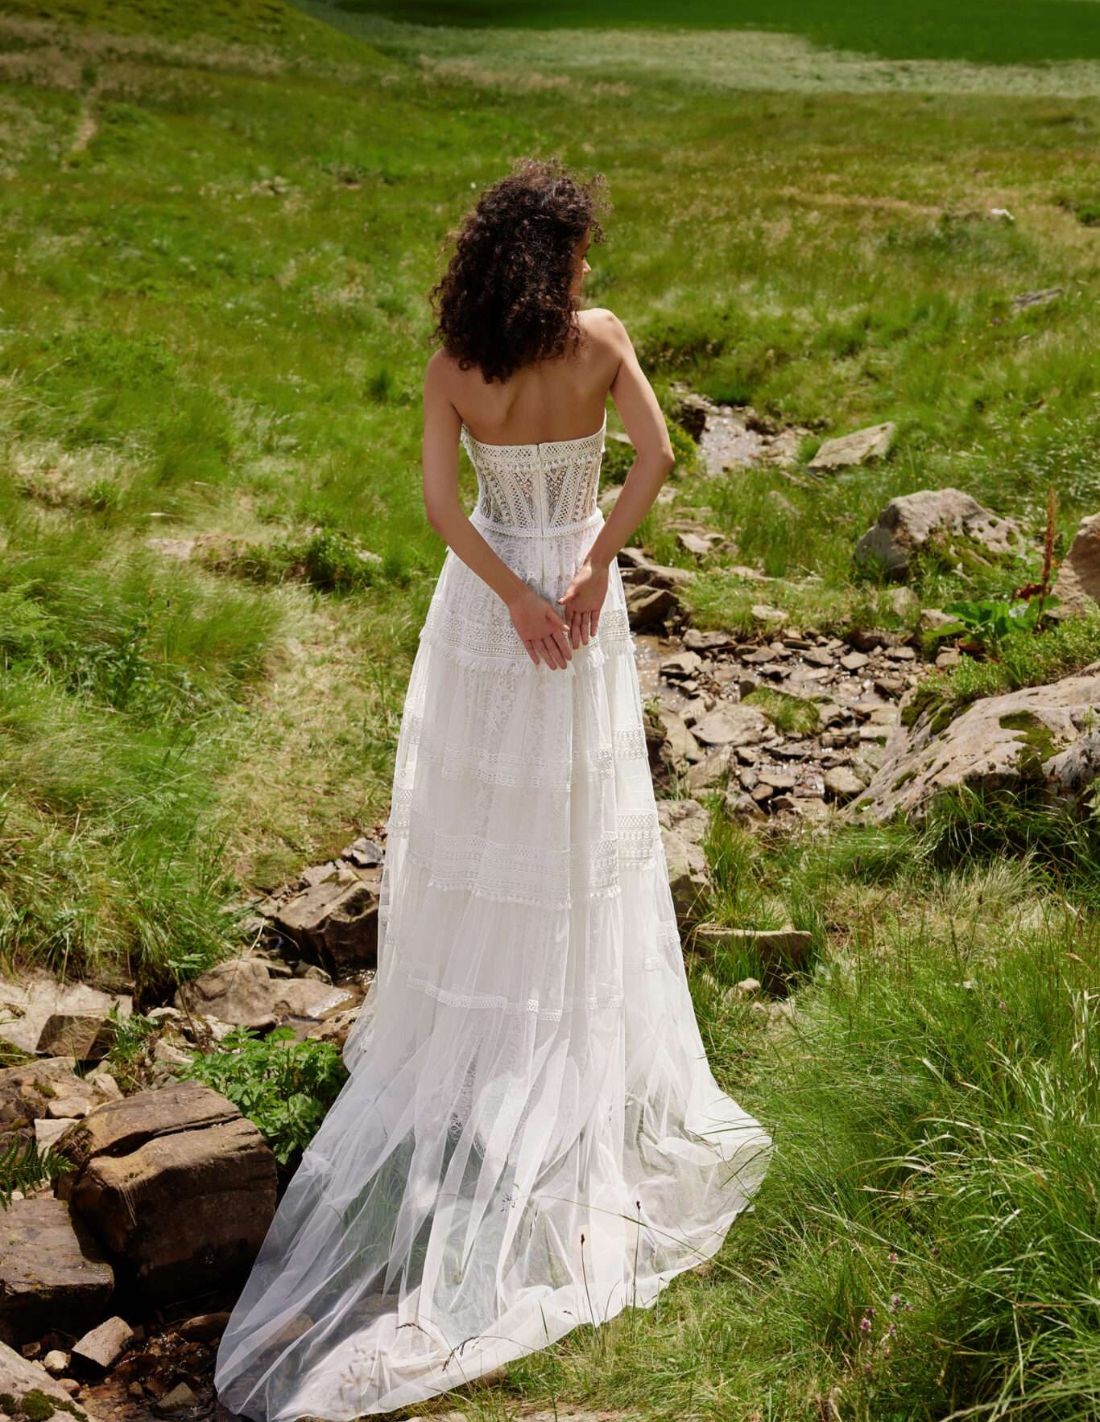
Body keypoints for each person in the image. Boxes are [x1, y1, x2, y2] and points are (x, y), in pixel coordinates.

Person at [213, 155, 772, 1421]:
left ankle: (477, 1035)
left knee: (478, 813)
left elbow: (438, 508)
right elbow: (655, 457)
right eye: (579, 248)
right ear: (554, 257)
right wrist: (589, 567)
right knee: (573, 807)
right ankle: (552, 1032)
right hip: (576, 595)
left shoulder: (452, 366)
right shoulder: (600, 340)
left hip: (487, 612)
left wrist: (515, 592)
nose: (590, 268)